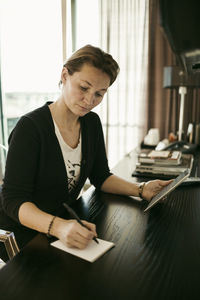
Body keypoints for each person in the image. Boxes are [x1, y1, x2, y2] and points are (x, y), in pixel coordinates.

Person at [0, 44, 171, 261]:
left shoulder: (91, 123)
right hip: (23, 232)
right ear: (64, 75)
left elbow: (100, 176)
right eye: (84, 88)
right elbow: (13, 200)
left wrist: (140, 189)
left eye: (100, 94)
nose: (90, 101)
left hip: (63, 226)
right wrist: (58, 227)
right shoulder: (30, 128)